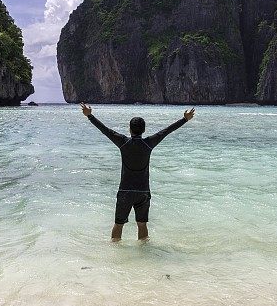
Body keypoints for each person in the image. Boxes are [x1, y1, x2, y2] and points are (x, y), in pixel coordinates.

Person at [81, 103, 195, 241]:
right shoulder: (148, 143)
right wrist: (185, 119)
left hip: (125, 191)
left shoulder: (123, 142)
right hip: (143, 192)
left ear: (129, 129)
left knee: (118, 224)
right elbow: (166, 131)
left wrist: (90, 116)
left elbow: (105, 130)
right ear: (144, 130)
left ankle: (114, 256)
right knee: (142, 224)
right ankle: (144, 256)